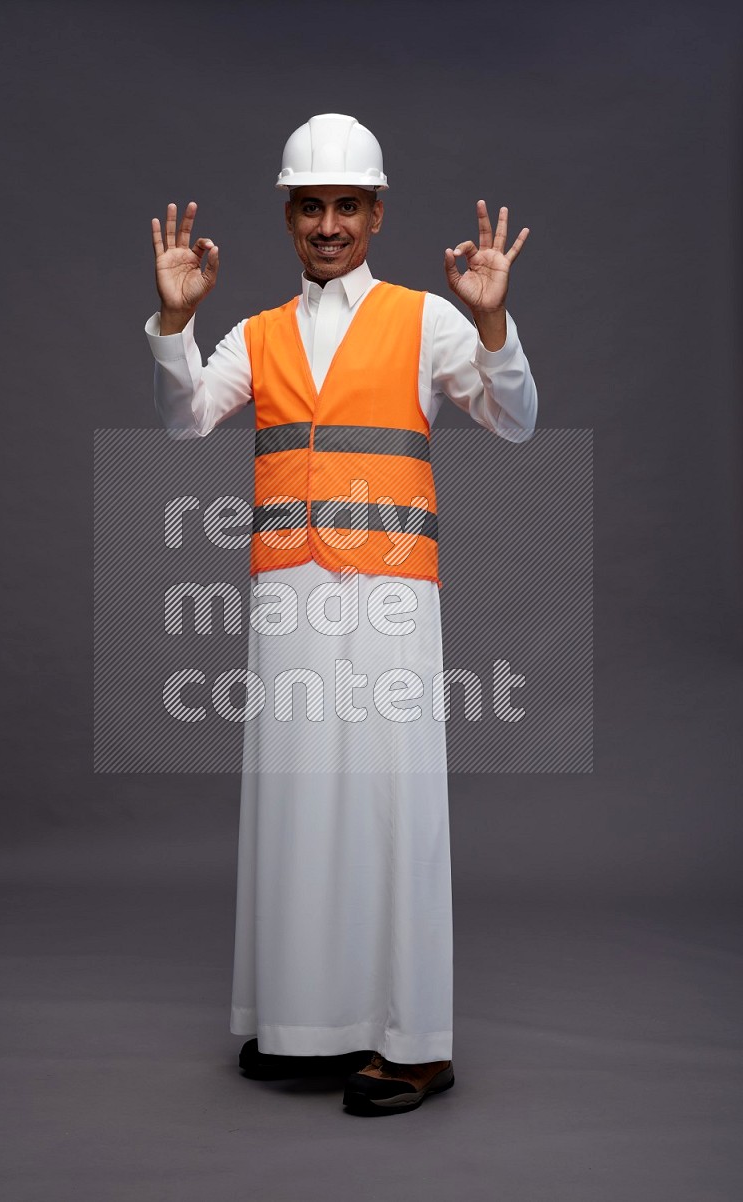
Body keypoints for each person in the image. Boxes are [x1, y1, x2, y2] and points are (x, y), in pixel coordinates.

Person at [145, 113, 537, 1116]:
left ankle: (414, 1044)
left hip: (391, 597)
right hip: (288, 594)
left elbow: (514, 416)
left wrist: (492, 323)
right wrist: (174, 325)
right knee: (297, 804)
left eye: (345, 205)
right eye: (310, 204)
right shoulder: (259, 333)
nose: (328, 223)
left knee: (391, 802)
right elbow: (184, 417)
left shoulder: (427, 318)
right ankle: (308, 1025)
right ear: (288, 215)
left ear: (375, 212)